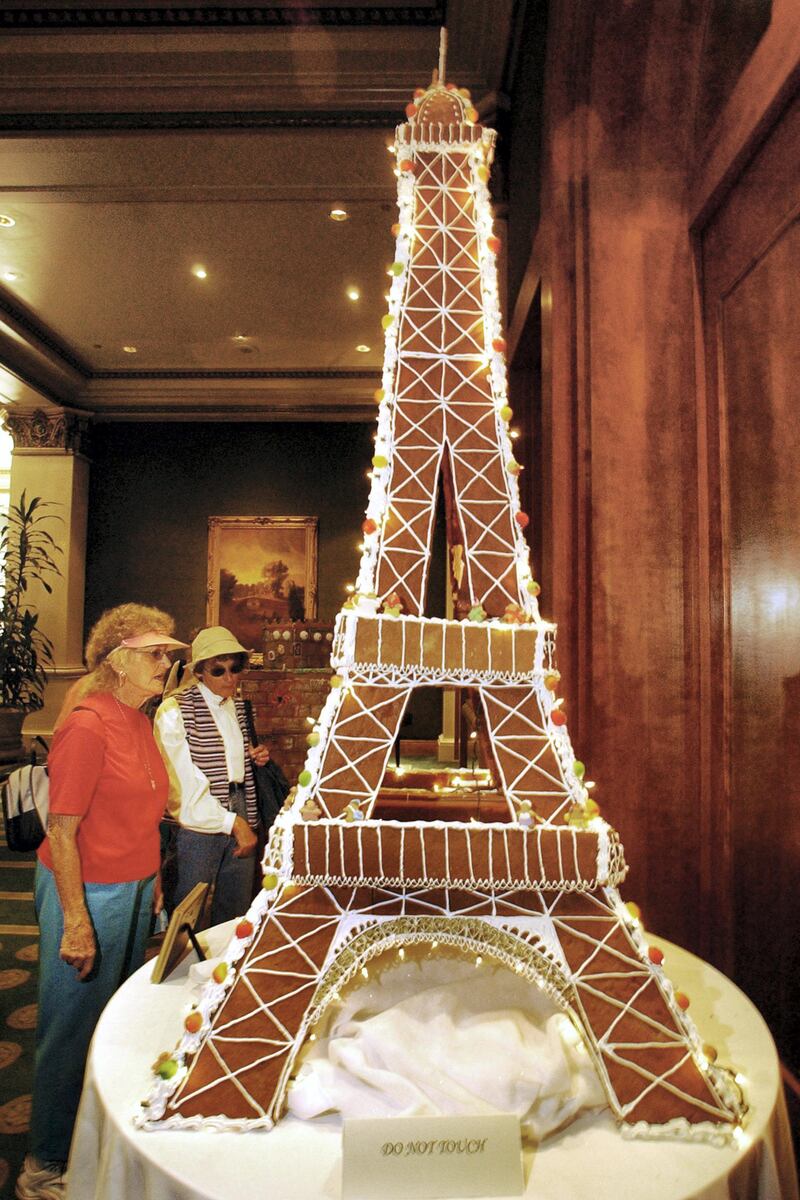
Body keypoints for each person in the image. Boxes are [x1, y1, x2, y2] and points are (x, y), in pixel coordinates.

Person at [16, 604, 187, 1200]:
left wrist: (155, 881)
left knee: (109, 1020)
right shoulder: (88, 724)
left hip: (133, 887)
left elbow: (143, 810)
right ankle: (43, 1163)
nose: (167, 662)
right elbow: (61, 831)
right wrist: (76, 923)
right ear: (118, 661)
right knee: (71, 1028)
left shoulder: (139, 718)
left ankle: (86, 1137)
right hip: (85, 891)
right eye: (155, 652)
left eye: (169, 653)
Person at [154, 627, 269, 927]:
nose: (230, 677)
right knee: (187, 910)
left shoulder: (239, 707)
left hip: (243, 805)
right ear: (200, 672)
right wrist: (233, 823)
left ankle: (225, 968)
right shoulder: (175, 710)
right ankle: (180, 971)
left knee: (235, 907)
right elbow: (182, 784)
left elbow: (232, 758)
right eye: (219, 670)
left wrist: (254, 759)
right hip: (199, 820)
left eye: (235, 668)